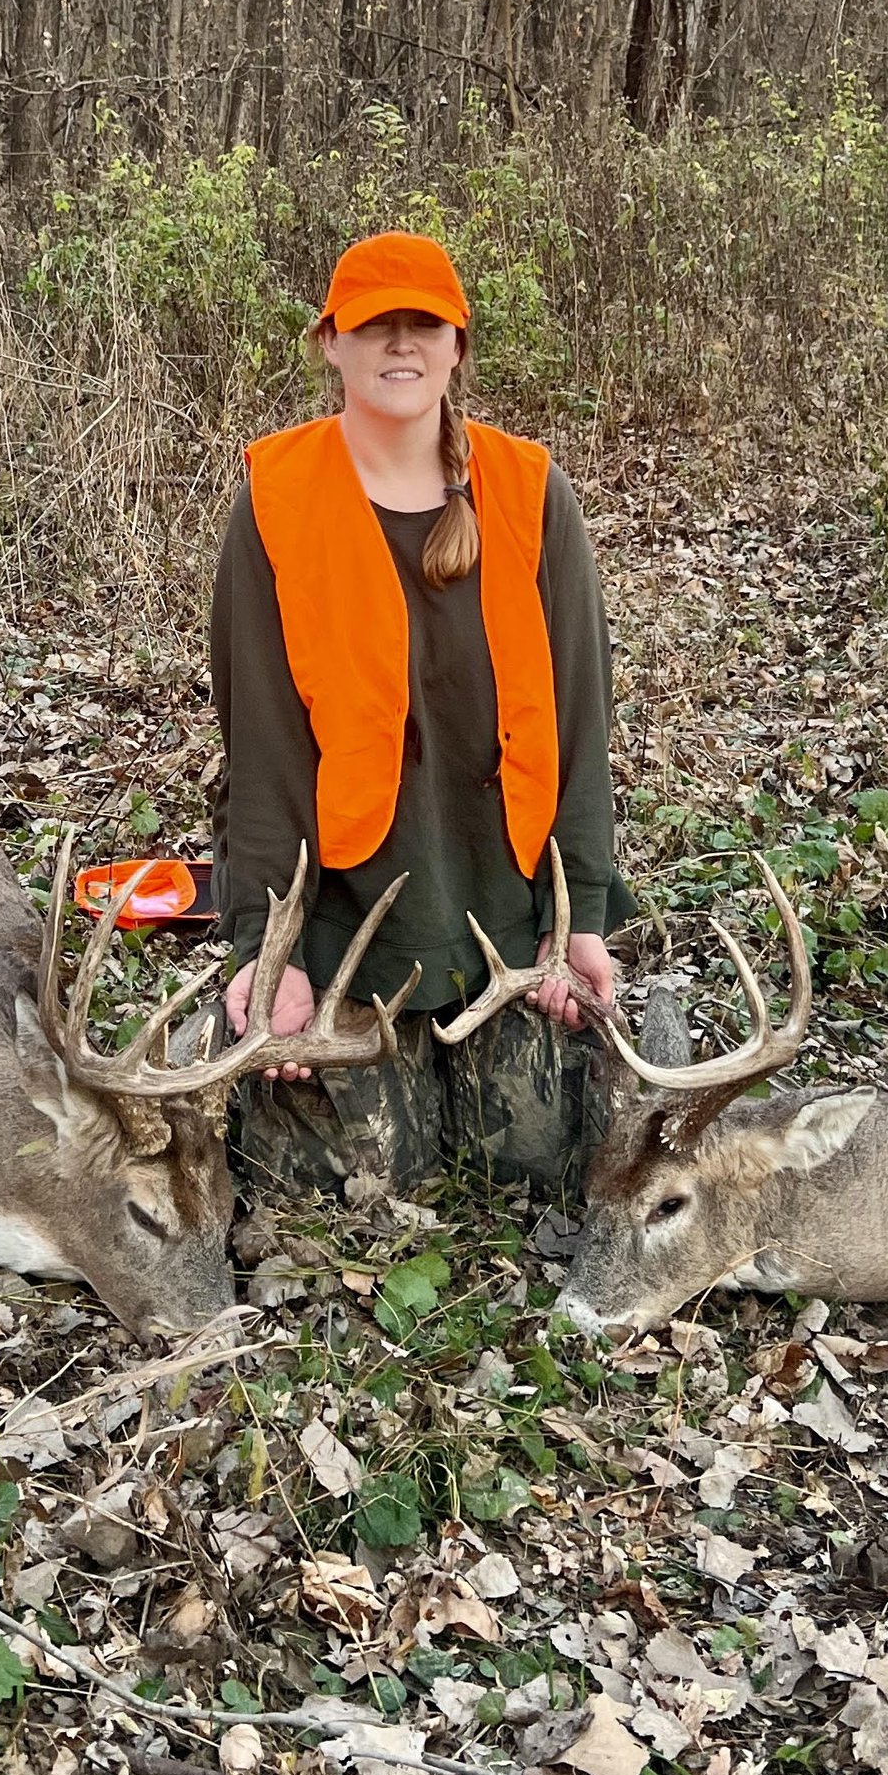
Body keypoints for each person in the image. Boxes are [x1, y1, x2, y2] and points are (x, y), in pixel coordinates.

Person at [210, 229, 626, 1197]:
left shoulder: (528, 490)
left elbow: (578, 721)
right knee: (355, 1181)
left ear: (455, 348)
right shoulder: (278, 499)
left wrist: (581, 919)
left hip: (505, 899)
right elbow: (262, 746)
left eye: (422, 327)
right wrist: (267, 949)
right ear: (331, 344)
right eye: (374, 327)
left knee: (528, 1166)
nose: (400, 346)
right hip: (353, 909)